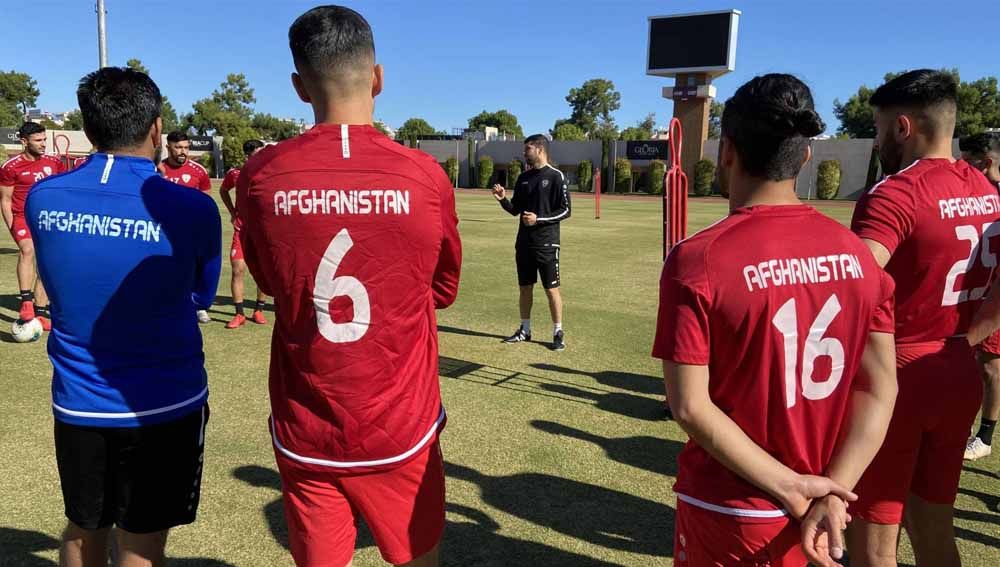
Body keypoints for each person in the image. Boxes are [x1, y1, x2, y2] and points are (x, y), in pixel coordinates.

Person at [236, 6, 461, 567]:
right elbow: (443, 288)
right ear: (378, 77)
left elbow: (270, 284)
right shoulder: (426, 175)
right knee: (418, 558)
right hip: (400, 424)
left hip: (306, 421)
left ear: (297, 86)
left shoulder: (262, 176)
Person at [653, 74, 898, 567]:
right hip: (825, 504)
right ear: (805, 156)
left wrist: (793, 486)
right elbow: (880, 388)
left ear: (726, 152)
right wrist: (834, 491)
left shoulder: (696, 260)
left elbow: (688, 405)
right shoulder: (859, 257)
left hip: (732, 509)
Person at [25, 67, 221, 567]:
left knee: (83, 525)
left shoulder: (44, 198)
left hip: (79, 402)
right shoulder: (193, 210)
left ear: (87, 130)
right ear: (157, 128)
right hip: (164, 404)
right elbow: (200, 298)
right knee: (142, 539)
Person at [847, 70, 999, 567]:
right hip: (957, 368)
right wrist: (965, 338)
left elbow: (858, 282)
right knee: (932, 522)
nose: (876, 138)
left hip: (899, 376)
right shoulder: (987, 190)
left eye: (878, 125)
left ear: (903, 126)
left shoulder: (896, 194)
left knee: (872, 540)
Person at [491, 134, 571, 350]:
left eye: (527, 149)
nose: (524, 153)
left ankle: (558, 332)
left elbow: (566, 210)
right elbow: (515, 210)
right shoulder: (523, 178)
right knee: (525, 288)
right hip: (524, 244)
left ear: (540, 149)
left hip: (546, 244)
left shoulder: (556, 176)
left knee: (551, 289)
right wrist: (503, 200)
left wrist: (539, 219)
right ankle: (525, 330)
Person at [959, 132, 1000, 461]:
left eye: (969, 161)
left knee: (989, 365)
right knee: (979, 365)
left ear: (986, 163)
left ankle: (985, 436)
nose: (963, 168)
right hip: (980, 293)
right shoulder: (976, 194)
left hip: (994, 298)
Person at [0, 121, 65, 330]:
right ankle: (26, 301)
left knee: (46, 262)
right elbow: (6, 199)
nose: (43, 144)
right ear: (23, 141)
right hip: (21, 217)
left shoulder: (54, 162)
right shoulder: (10, 167)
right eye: (38, 140)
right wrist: (11, 224)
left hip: (47, 218)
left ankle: (39, 312)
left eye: (44, 139)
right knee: (27, 250)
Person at [158, 130, 214, 323]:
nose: (183, 151)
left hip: (192, 230)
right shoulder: (157, 170)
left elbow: (206, 201)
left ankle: (199, 307)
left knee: (195, 267)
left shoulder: (198, 171)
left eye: (186, 147)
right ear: (168, 147)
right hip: (163, 231)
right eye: (178, 147)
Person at [219, 139, 268, 328]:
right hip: (241, 230)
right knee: (238, 269)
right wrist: (232, 212)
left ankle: (259, 310)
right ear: (249, 155)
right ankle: (239, 314)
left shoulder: (268, 172)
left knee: (262, 271)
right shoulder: (236, 174)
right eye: (258, 153)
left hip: (261, 231)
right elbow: (224, 190)